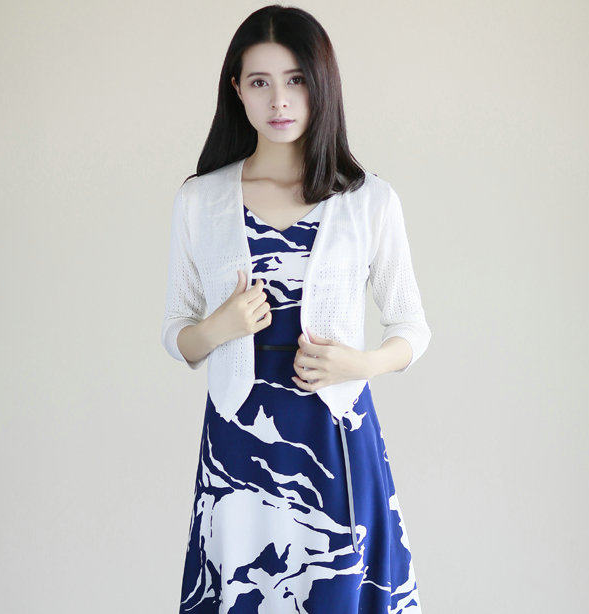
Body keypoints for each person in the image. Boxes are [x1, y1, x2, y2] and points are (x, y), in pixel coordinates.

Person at [161, 6, 431, 613]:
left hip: (334, 436)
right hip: (238, 439)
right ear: (237, 89)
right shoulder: (201, 200)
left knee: (335, 589)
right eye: (260, 81)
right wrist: (218, 328)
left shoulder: (368, 200)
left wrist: (359, 364)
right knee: (245, 590)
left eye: (296, 80)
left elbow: (412, 327)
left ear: (321, 84)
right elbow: (176, 331)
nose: (279, 100)